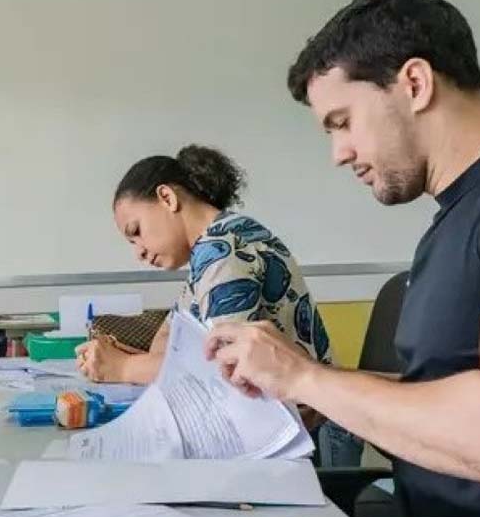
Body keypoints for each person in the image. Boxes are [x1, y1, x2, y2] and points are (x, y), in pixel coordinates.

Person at [206, 0, 480, 517]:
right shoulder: (454, 219)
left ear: (414, 83)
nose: (339, 153)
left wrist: (308, 377)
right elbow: (442, 392)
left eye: (342, 122)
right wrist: (318, 393)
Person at [76, 145, 332, 400]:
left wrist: (124, 367)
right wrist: (134, 361)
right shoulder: (210, 251)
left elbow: (223, 373)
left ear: (167, 198)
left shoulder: (226, 249)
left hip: (304, 421)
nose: (139, 253)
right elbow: (165, 344)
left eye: (137, 232)